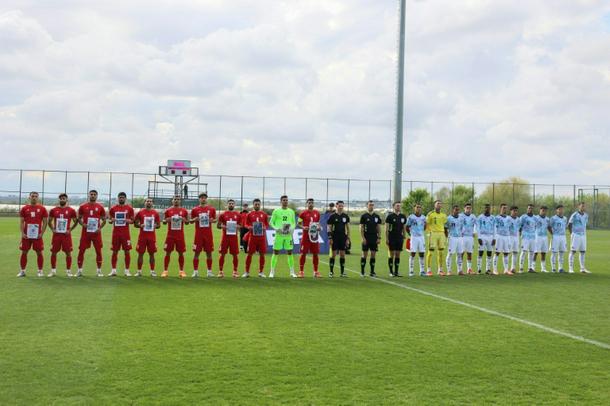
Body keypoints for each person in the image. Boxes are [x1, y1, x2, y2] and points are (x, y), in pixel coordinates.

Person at [17, 191, 48, 277]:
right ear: (29, 197)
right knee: (24, 252)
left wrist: (41, 233)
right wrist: (22, 233)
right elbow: (21, 222)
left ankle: (40, 271)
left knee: (39, 252)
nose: (34, 197)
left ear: (38, 198)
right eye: (32, 196)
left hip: (37, 235)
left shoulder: (42, 208)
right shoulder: (24, 208)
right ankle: (22, 271)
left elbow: (45, 222)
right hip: (26, 235)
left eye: (36, 196)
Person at [76, 190, 106, 277]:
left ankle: (99, 271)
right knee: (81, 250)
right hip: (85, 233)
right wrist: (83, 224)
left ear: (97, 196)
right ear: (89, 195)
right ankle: (79, 270)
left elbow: (104, 220)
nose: (93, 196)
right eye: (91, 194)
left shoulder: (100, 207)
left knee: (98, 251)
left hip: (96, 233)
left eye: (94, 194)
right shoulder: (83, 206)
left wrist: (99, 228)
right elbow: (79, 218)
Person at [48, 193, 78, 277]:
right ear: (59, 199)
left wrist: (70, 229)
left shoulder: (71, 210)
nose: (62, 200)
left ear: (66, 200)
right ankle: (53, 271)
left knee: (68, 253)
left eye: (64, 198)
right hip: (56, 235)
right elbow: (49, 221)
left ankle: (68, 271)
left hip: (66, 236)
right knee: (53, 252)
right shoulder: (53, 210)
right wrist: (53, 229)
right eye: (61, 198)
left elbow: (76, 221)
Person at [269, 195, 297, 278]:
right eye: (284, 200)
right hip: (279, 235)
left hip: (288, 235)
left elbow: (293, 223)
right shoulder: (276, 211)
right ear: (280, 201)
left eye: (286, 200)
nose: (285, 201)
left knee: (290, 252)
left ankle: (292, 272)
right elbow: (271, 222)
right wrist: (276, 228)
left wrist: (291, 228)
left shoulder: (291, 211)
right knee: (275, 252)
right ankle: (272, 272)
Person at [108, 192, 135, 277]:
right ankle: (113, 270)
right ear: (118, 198)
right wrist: (111, 220)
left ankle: (127, 271)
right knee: (114, 251)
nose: (121, 199)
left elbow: (133, 221)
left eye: (123, 197)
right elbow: (109, 220)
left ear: (125, 199)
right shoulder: (113, 208)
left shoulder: (129, 209)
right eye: (120, 197)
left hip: (125, 234)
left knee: (127, 251)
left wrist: (129, 221)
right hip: (116, 234)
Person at [161, 196, 189, 278]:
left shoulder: (184, 211)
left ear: (180, 201)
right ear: (172, 201)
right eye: (175, 199)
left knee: (181, 253)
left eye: (178, 199)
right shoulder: (168, 210)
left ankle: (181, 271)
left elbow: (187, 222)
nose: (176, 201)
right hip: (170, 235)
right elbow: (164, 221)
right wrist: (167, 220)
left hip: (180, 235)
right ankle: (165, 271)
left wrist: (184, 220)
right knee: (167, 252)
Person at [190, 193, 217, 278]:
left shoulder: (211, 209)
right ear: (199, 199)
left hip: (208, 235)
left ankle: (209, 272)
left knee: (209, 253)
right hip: (198, 235)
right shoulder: (195, 209)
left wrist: (212, 220)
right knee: (196, 253)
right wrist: (195, 219)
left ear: (206, 199)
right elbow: (190, 221)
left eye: (204, 198)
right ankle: (195, 272)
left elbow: (215, 220)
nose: (203, 199)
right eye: (201, 198)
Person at [134, 198, 161, 276]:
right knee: (140, 253)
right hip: (142, 237)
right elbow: (135, 224)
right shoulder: (140, 212)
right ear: (145, 203)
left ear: (152, 203)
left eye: (150, 201)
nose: (149, 202)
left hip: (151, 237)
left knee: (152, 254)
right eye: (147, 201)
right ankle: (139, 271)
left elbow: (159, 225)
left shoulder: (155, 213)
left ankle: (152, 271)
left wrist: (155, 226)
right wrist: (140, 225)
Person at [244, 198, 269, 278]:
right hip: (252, 237)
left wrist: (265, 227)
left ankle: (261, 272)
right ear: (253, 205)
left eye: (258, 204)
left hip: (261, 238)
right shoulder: (249, 214)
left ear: (260, 205)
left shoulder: (264, 214)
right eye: (256, 204)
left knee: (262, 254)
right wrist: (249, 227)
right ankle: (247, 272)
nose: (257, 205)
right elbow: (245, 224)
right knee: (249, 254)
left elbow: (267, 225)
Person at [217, 199, 241, 278]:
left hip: (234, 238)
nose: (231, 205)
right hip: (225, 237)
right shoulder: (223, 214)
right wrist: (223, 226)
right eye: (229, 203)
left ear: (234, 205)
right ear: (227, 205)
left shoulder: (238, 215)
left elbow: (241, 226)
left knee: (235, 255)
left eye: (232, 203)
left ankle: (235, 271)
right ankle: (220, 271)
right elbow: (218, 226)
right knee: (222, 254)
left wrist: (238, 226)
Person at [298, 198, 322, 278]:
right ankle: (301, 271)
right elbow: (299, 223)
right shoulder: (303, 213)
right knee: (303, 253)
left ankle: (316, 272)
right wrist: (303, 227)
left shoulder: (317, 213)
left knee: (315, 253)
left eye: (312, 203)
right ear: (307, 204)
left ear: (313, 204)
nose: (311, 204)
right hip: (306, 237)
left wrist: (319, 227)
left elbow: (318, 224)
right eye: (309, 203)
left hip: (314, 236)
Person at [327, 200, 350, 277]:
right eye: (339, 206)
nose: (341, 207)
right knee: (333, 255)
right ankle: (331, 272)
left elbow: (348, 228)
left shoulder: (345, 216)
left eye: (342, 206)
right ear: (336, 206)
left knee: (342, 255)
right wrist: (330, 238)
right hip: (334, 237)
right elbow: (329, 228)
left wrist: (348, 238)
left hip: (343, 237)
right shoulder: (332, 216)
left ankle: (342, 272)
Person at [359, 200, 382, 277]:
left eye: (372, 205)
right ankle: (362, 272)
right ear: (367, 206)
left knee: (373, 254)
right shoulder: (364, 216)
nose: (371, 206)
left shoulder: (377, 216)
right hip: (366, 237)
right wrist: (363, 238)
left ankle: (372, 272)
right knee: (364, 254)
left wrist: (379, 237)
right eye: (370, 205)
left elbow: (378, 227)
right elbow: (361, 228)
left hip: (374, 237)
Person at [426, 200, 448, 276]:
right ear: (434, 205)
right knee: (431, 252)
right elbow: (427, 224)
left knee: (441, 252)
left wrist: (445, 235)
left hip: (441, 234)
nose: (439, 205)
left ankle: (440, 270)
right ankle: (428, 270)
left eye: (440, 204)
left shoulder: (444, 215)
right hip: (433, 234)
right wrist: (430, 232)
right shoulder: (430, 214)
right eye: (438, 203)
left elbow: (445, 226)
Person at [385, 201, 407, 277]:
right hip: (391, 237)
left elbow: (404, 227)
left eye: (399, 206)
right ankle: (391, 272)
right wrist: (386, 238)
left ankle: (396, 272)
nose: (399, 207)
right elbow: (386, 228)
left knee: (398, 254)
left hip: (399, 238)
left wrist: (404, 235)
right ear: (394, 207)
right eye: (397, 205)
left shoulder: (403, 216)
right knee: (392, 255)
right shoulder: (390, 216)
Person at [568, 202, 590, 273]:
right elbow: (569, 224)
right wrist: (571, 233)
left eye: (584, 206)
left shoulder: (586, 215)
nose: (583, 207)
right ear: (579, 207)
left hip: (583, 235)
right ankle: (570, 268)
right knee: (573, 251)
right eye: (582, 206)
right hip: (576, 235)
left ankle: (582, 268)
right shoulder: (575, 214)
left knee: (583, 251)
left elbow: (584, 225)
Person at [406, 203, 427, 277]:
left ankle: (422, 271)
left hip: (421, 237)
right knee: (413, 253)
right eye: (417, 207)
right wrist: (410, 234)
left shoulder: (423, 217)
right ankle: (411, 271)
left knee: (422, 253)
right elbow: (407, 227)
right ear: (414, 208)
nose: (418, 208)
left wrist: (421, 231)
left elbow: (425, 226)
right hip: (414, 237)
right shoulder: (411, 217)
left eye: (420, 207)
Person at [494, 204, 513, 275]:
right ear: (500, 209)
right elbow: (495, 228)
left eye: (506, 208)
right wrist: (495, 237)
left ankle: (506, 270)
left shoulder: (509, 218)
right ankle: (495, 270)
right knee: (497, 252)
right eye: (503, 208)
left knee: (506, 253)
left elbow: (510, 227)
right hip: (499, 236)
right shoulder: (497, 218)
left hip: (507, 237)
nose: (505, 209)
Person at [476, 203, 495, 275]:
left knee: (489, 253)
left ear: (490, 209)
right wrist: (479, 237)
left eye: (489, 208)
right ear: (484, 209)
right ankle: (479, 269)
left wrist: (494, 238)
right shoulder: (480, 217)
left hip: (490, 236)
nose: (487, 209)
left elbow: (494, 228)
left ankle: (488, 269)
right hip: (482, 236)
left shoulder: (493, 217)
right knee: (480, 252)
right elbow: (478, 228)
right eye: (486, 208)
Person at [445, 205, 463, 276]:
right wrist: (447, 237)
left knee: (459, 254)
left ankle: (460, 270)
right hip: (452, 238)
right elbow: (445, 228)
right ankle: (449, 271)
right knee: (450, 254)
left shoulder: (461, 218)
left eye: (458, 210)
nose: (457, 211)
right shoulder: (449, 218)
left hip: (459, 238)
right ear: (453, 210)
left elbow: (461, 227)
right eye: (456, 210)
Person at [459, 203, 477, 274]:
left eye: (470, 208)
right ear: (464, 208)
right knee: (461, 253)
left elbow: (476, 224)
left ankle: (469, 269)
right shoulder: (460, 216)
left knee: (470, 253)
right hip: (463, 237)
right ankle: (460, 269)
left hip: (470, 237)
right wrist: (460, 232)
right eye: (467, 208)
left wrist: (474, 231)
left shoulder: (473, 216)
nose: (468, 209)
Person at [549, 205, 567, 273]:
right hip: (555, 236)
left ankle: (560, 268)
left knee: (562, 252)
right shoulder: (553, 218)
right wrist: (552, 234)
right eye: (559, 209)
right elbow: (549, 226)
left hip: (563, 237)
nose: (561, 210)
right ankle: (553, 268)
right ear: (557, 210)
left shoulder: (565, 218)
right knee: (554, 252)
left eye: (562, 209)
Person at [519, 204, 537, 273]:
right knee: (524, 252)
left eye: (531, 208)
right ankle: (521, 268)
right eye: (529, 208)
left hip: (532, 237)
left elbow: (535, 226)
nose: (530, 209)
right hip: (525, 237)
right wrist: (520, 234)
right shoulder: (523, 217)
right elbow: (520, 226)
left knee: (531, 252)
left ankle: (530, 268)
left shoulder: (535, 218)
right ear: (527, 209)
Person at [534, 206, 550, 273]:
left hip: (545, 237)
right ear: (540, 210)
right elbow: (533, 226)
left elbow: (549, 227)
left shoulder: (547, 219)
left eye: (545, 211)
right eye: (543, 210)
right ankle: (532, 267)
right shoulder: (536, 218)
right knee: (535, 252)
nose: (544, 212)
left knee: (543, 253)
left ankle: (543, 268)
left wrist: (552, 233)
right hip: (537, 236)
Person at [507, 206, 521, 273]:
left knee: (515, 252)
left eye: (516, 211)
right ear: (511, 211)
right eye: (514, 211)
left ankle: (513, 268)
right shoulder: (508, 218)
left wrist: (519, 234)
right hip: (510, 237)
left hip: (516, 237)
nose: (515, 212)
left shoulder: (518, 219)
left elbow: (520, 228)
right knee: (508, 252)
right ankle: (506, 268)